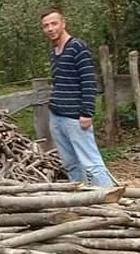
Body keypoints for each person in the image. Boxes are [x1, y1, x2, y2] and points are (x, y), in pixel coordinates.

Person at [40, 6, 114, 187]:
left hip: (75, 117)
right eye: (46, 25)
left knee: (91, 163)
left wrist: (87, 113)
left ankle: (110, 198)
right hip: (56, 116)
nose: (50, 28)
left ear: (63, 23)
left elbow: (88, 82)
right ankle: (81, 198)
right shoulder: (54, 52)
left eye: (54, 23)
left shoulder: (77, 47)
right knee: (71, 163)